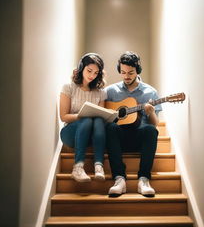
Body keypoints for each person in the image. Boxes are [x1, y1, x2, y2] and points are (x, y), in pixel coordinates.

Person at [105, 51, 162, 197]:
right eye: (123, 72)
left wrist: (150, 112)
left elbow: (156, 124)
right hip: (118, 139)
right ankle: (119, 179)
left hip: (139, 139)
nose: (126, 76)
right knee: (110, 128)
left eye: (130, 72)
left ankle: (143, 180)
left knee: (151, 131)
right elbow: (102, 112)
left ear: (138, 70)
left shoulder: (150, 92)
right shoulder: (111, 91)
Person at [59, 53, 107, 182]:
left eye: (96, 73)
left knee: (98, 119)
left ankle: (98, 166)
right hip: (71, 133)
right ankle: (78, 167)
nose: (92, 76)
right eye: (89, 71)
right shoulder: (68, 87)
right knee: (86, 119)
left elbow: (101, 115)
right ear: (81, 68)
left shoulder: (101, 92)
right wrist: (81, 116)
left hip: (93, 136)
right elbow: (63, 117)